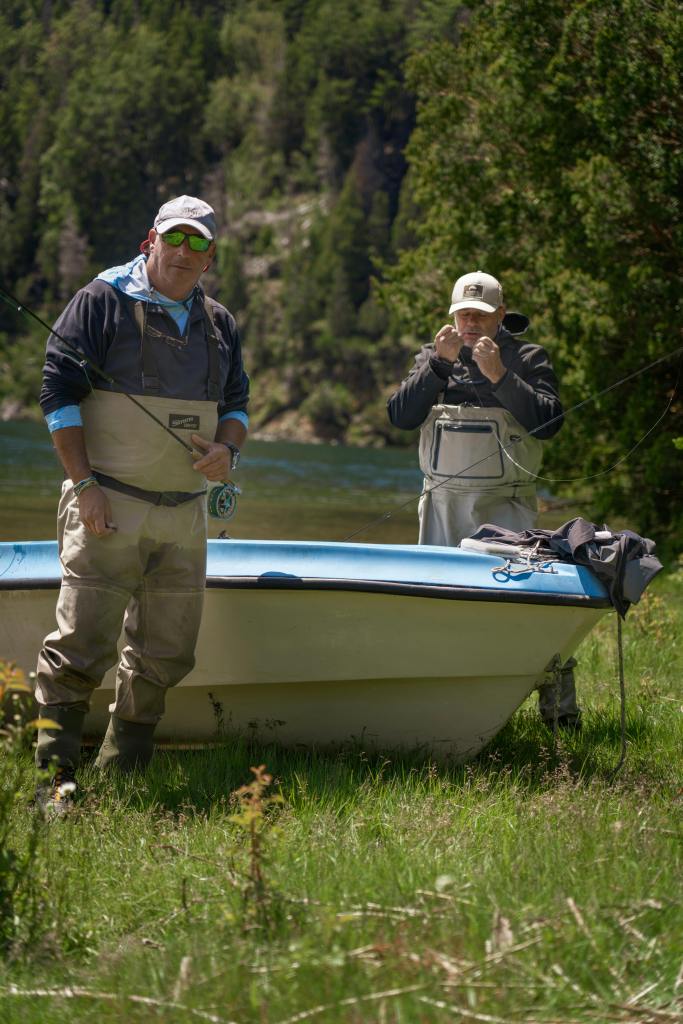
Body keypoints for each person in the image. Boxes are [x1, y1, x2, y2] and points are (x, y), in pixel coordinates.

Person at [34, 195, 249, 808]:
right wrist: (85, 487)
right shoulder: (101, 301)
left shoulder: (219, 322)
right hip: (107, 504)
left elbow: (237, 404)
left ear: (210, 256)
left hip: (185, 514)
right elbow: (57, 395)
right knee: (80, 645)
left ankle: (122, 778)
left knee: (165, 653)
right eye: (173, 237)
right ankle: (53, 779)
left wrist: (228, 451)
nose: (184, 251)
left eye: (197, 241)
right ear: (149, 241)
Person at [387, 270, 580, 729]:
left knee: (526, 606)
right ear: (453, 316)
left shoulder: (528, 357)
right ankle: (443, 709)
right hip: (440, 506)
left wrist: (500, 376)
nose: (471, 323)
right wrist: (438, 366)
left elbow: (550, 422)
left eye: (481, 315)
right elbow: (400, 417)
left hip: (507, 507)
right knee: (436, 608)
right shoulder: (433, 356)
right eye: (464, 315)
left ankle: (560, 715)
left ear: (500, 315)